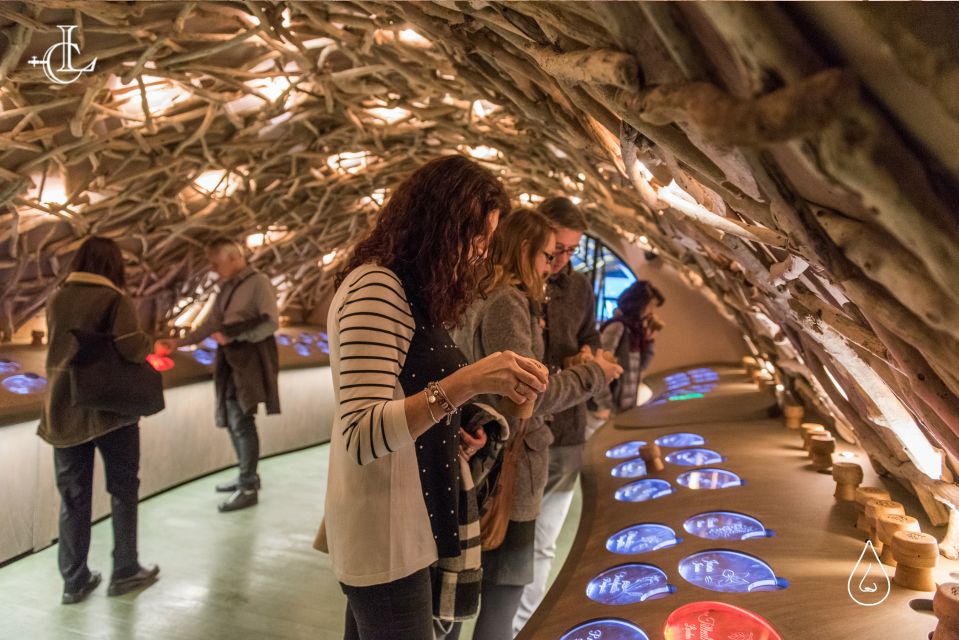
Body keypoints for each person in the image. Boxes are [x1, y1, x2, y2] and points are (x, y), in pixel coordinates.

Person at [321, 155, 550, 640]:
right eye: (476, 238)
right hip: (384, 531)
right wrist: (469, 380)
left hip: (410, 516)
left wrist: (448, 436)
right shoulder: (376, 289)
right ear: (438, 225)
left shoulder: (407, 292)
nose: (480, 253)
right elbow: (361, 433)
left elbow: (405, 403)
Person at [453, 209, 623, 640]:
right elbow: (528, 393)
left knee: (460, 596)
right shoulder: (508, 301)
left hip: (484, 457)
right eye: (550, 254)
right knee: (503, 592)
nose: (553, 265)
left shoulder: (482, 294)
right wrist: (594, 374)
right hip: (508, 462)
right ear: (526, 250)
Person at [38, 236, 159, 604]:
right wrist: (150, 341)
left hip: (63, 409)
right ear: (112, 265)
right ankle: (125, 570)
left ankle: (74, 580)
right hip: (112, 412)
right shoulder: (114, 299)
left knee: (73, 499)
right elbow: (130, 347)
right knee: (123, 491)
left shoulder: (57, 298)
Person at [513, 197, 603, 634]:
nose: (563, 261)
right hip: (520, 435)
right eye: (557, 250)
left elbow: (590, 337)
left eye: (571, 251)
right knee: (510, 546)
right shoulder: (514, 291)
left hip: (566, 428)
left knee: (545, 543)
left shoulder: (580, 286)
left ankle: (522, 628)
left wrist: (586, 357)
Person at [156, 237, 280, 512]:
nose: (213, 269)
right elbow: (212, 322)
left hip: (248, 360)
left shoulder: (258, 283)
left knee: (242, 420)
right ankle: (247, 477)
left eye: (216, 263)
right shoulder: (227, 286)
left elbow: (271, 321)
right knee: (234, 417)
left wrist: (236, 337)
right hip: (231, 360)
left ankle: (248, 485)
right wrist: (181, 341)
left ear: (234, 257)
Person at [600, 280, 664, 412]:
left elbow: (641, 366)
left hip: (627, 404)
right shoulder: (618, 327)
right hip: (611, 407)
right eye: (649, 306)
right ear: (639, 304)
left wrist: (649, 341)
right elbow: (600, 366)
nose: (651, 312)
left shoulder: (636, 332)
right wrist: (605, 404)